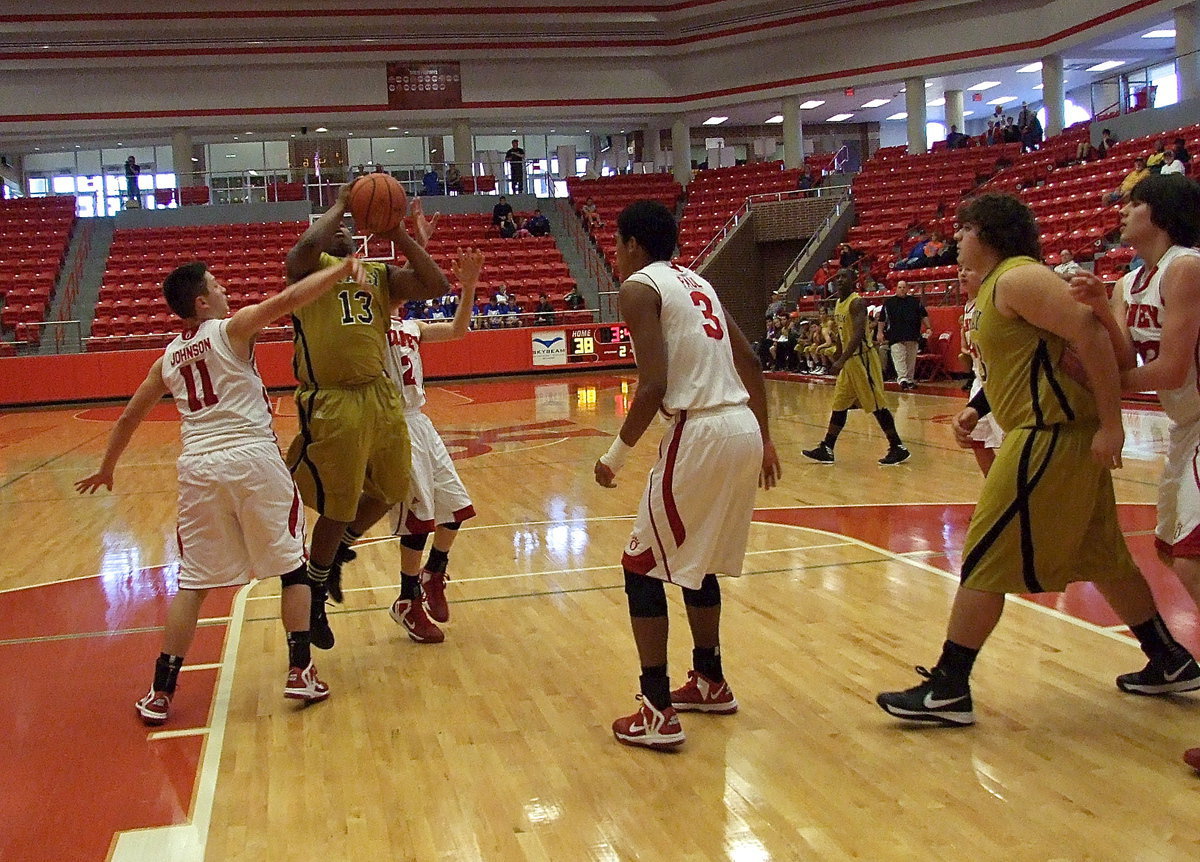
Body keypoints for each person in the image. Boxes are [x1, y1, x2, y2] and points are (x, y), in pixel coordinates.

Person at [877, 193, 1200, 728]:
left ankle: (950, 685)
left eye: (965, 228)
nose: (957, 237)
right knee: (1104, 557)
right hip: (1048, 432)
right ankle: (1167, 659)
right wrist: (978, 407)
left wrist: (1112, 421)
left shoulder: (1019, 278)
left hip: (1048, 435)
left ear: (990, 232)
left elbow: (1093, 336)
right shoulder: (993, 288)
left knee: (982, 554)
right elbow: (1026, 359)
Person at [75, 257, 368, 724]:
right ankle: (300, 670)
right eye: (216, 284)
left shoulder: (167, 358)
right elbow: (290, 299)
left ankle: (160, 691)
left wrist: (107, 468)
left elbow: (130, 416)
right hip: (252, 458)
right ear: (201, 301)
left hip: (198, 469)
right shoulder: (230, 330)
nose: (226, 288)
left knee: (193, 583)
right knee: (292, 566)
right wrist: (343, 267)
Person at [593, 200, 781, 750]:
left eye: (617, 243)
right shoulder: (697, 281)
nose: (614, 254)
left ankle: (656, 709)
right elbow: (748, 356)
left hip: (698, 431)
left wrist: (615, 457)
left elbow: (652, 384)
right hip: (740, 426)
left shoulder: (638, 288)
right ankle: (709, 679)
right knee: (698, 564)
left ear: (632, 244)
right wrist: (766, 435)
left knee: (640, 567)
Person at [1067, 174, 1200, 768]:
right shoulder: (1128, 281)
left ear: (1164, 213)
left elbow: (1170, 369)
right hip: (1186, 428)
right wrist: (1100, 309)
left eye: (1135, 202)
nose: (1122, 211)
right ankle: (1176, 666)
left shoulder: (1185, 267)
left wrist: (1100, 383)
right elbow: (1124, 354)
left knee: (1194, 555)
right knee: (1174, 553)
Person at [284, 181, 449, 650]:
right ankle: (315, 590)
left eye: (346, 229)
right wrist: (339, 205)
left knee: (393, 489)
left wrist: (397, 234)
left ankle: (331, 558)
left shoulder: (376, 274)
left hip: (380, 396)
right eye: (333, 229)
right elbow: (302, 251)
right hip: (332, 399)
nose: (340, 235)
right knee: (339, 503)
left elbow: (436, 284)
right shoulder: (307, 273)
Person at [384, 249, 484, 643]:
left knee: (455, 509)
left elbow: (459, 331)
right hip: (393, 426)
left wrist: (470, 287)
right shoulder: (368, 326)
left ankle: (433, 573)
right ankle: (407, 600)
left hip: (420, 422)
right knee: (418, 518)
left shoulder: (412, 327)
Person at [802, 271, 911, 465]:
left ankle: (897, 447)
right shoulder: (838, 303)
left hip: (863, 360)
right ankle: (827, 447)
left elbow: (859, 333)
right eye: (838, 278)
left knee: (877, 404)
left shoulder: (857, 302)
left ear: (854, 281)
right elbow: (845, 334)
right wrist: (838, 353)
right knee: (839, 403)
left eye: (845, 277)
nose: (840, 280)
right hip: (850, 362)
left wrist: (841, 360)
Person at [954, 265, 1004, 476]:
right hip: (979, 379)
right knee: (976, 440)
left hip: (1000, 380)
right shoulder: (967, 306)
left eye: (969, 269)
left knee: (1013, 444)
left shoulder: (992, 303)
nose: (962, 273)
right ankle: (996, 492)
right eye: (959, 269)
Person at [880, 280, 931, 390]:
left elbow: (924, 315)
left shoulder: (915, 302)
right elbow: (882, 319)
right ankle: (902, 379)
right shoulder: (889, 303)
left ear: (907, 289)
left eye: (904, 287)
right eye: (900, 287)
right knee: (899, 358)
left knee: (910, 360)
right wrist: (880, 332)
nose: (902, 289)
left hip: (912, 335)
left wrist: (928, 327)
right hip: (896, 336)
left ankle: (910, 380)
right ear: (896, 288)